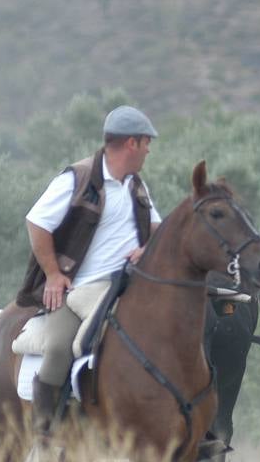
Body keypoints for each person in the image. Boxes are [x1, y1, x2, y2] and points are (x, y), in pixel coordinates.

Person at [15, 105, 162, 441]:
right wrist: (53, 274)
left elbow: (156, 228)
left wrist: (146, 250)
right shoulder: (77, 179)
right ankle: (45, 432)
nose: (149, 150)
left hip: (127, 288)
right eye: (146, 143)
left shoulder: (136, 186)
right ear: (131, 144)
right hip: (79, 290)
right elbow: (36, 223)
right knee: (58, 348)